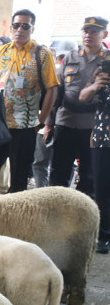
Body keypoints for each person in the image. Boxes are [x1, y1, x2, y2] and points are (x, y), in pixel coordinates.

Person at [0, 9, 60, 192]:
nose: (20, 29)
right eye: (17, 25)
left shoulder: (42, 54)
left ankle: (16, 218)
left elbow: (52, 88)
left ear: (32, 29)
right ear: (11, 28)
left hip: (25, 126)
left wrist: (42, 120)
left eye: (25, 26)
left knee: (18, 180)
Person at [48, 17, 109, 195]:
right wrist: (49, 123)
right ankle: (57, 210)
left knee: (88, 176)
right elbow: (57, 91)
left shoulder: (108, 59)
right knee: (59, 171)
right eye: (85, 31)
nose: (88, 35)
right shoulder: (71, 56)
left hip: (93, 126)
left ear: (104, 34)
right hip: (65, 121)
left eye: (94, 31)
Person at [80, 53, 110, 253]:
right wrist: (95, 86)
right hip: (102, 139)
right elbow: (83, 97)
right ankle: (103, 235)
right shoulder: (102, 72)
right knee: (102, 188)